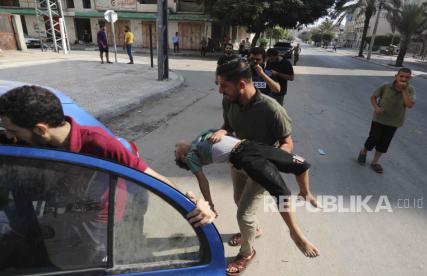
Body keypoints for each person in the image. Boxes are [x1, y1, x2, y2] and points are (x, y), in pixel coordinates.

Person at [0, 86, 216, 263]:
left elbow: (152, 177)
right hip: (57, 221)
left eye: (13, 132)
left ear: (40, 129)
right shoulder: (33, 143)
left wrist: (192, 204)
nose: (10, 138)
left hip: (94, 227)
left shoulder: (100, 144)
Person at [212, 59, 320, 275]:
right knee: (238, 200)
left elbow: (287, 142)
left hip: (260, 168)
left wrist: (273, 159)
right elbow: (229, 125)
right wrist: (223, 131)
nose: (220, 90)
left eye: (224, 85)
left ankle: (247, 252)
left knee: (243, 214)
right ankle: (254, 230)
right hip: (237, 161)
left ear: (242, 84)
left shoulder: (272, 109)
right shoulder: (229, 101)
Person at [174, 130, 320, 256]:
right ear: (182, 157)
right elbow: (202, 180)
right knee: (280, 191)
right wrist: (209, 203)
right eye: (175, 151)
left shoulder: (200, 138)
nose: (175, 148)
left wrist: (222, 131)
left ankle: (304, 192)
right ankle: (295, 232)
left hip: (251, 145)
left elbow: (225, 131)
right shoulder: (191, 157)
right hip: (243, 157)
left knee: (302, 164)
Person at [357, 68, 416, 173]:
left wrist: (404, 90)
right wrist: (376, 108)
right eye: (401, 76)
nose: (403, 79)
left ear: (410, 78)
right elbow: (373, 97)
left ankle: (375, 162)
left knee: (384, 142)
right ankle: (363, 152)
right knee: (373, 139)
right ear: (396, 76)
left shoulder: (410, 90)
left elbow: (409, 105)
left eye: (407, 77)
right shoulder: (385, 86)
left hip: (394, 121)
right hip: (379, 119)